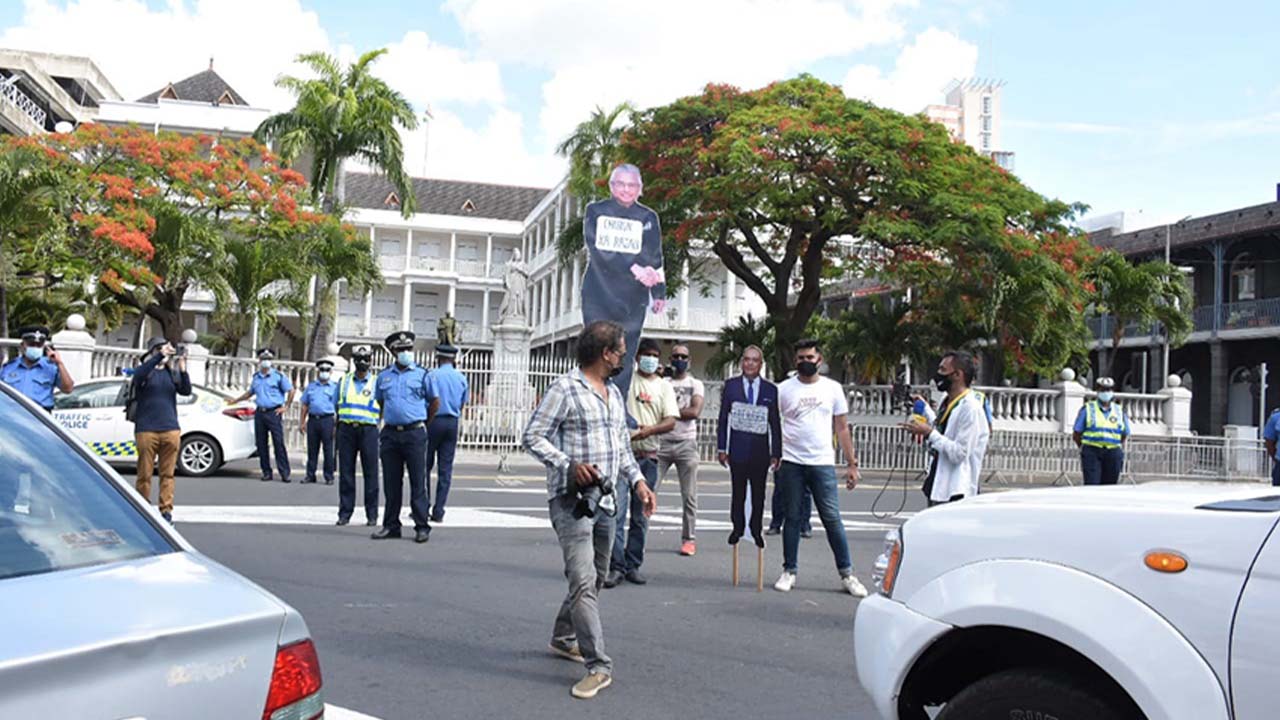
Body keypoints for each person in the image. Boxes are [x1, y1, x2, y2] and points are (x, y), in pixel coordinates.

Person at [522, 320, 658, 700]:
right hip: (573, 502)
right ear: (605, 354)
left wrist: (639, 482)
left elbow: (621, 449)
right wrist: (568, 464)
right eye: (621, 350)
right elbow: (532, 436)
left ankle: (564, 636)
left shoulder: (614, 393)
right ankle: (599, 665)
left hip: (608, 500)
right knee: (583, 581)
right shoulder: (565, 388)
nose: (625, 357)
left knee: (596, 578)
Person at [773, 339, 867, 597]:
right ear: (795, 361)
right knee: (791, 518)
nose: (806, 362)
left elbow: (842, 427)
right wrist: (773, 455)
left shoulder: (833, 389)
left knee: (832, 519)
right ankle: (789, 571)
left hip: (822, 462)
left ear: (820, 360)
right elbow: (772, 423)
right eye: (801, 358)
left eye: (810, 358)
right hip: (791, 462)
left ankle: (847, 574)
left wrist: (851, 464)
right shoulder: (783, 390)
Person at [580, 164, 666, 420]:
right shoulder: (596, 211)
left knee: (624, 354)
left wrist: (659, 290)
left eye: (632, 185)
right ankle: (592, 405)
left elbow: (655, 256)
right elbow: (599, 250)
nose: (626, 190)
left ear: (640, 189)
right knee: (596, 350)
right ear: (612, 186)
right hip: (599, 293)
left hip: (634, 298)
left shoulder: (649, 217)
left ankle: (616, 409)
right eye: (621, 184)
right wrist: (633, 267)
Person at [606, 337, 677, 588]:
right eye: (646, 354)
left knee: (641, 516)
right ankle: (615, 565)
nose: (650, 359)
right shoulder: (625, 382)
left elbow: (671, 421)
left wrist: (649, 431)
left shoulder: (664, 387)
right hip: (623, 457)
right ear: (636, 358)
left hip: (648, 457)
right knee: (616, 512)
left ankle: (633, 564)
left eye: (655, 356)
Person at [904, 350, 992, 506]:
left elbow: (959, 453)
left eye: (943, 370)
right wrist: (925, 409)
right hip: (938, 482)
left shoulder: (970, 408)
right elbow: (944, 429)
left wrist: (928, 433)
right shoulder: (948, 401)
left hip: (956, 490)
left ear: (958, 375)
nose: (938, 374)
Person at [716, 345, 782, 548]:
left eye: (754, 360)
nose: (750, 363)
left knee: (759, 493)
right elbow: (723, 419)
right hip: (738, 448)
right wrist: (722, 448)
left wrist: (776, 452)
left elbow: (775, 422)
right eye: (747, 359)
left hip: (760, 450)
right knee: (738, 491)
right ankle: (737, 527)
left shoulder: (771, 389)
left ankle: (755, 528)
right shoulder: (731, 386)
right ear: (741, 362)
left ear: (760, 364)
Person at [372, 331, 433, 544]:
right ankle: (391, 525)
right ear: (393, 352)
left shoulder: (422, 374)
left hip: (414, 432)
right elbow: (380, 402)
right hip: (390, 434)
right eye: (401, 350)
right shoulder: (384, 376)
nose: (405, 353)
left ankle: (422, 526)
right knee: (391, 483)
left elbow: (434, 401)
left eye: (408, 349)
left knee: (418, 482)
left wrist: (423, 422)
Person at [130, 337, 192, 523]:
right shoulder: (145, 372)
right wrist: (158, 357)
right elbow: (138, 375)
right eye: (159, 349)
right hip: (147, 430)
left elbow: (186, 391)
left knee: (168, 474)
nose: (164, 353)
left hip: (170, 429)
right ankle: (142, 507)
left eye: (165, 349)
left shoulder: (171, 374)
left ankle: (166, 511)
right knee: (145, 474)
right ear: (152, 352)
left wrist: (182, 368)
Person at [659, 343, 705, 556]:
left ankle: (689, 539)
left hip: (686, 443)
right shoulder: (663, 383)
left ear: (689, 361)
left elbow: (695, 411)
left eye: (683, 356)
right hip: (662, 443)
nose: (680, 359)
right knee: (647, 490)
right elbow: (654, 408)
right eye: (676, 356)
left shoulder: (695, 384)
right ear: (670, 359)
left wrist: (669, 411)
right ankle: (635, 536)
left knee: (689, 496)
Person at [228, 348, 294, 483]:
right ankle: (266, 472)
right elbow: (250, 393)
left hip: (274, 412)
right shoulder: (256, 377)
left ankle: (284, 472)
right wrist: (235, 400)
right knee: (261, 444)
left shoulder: (278, 376)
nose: (266, 362)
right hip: (260, 413)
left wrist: (286, 406)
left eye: (268, 359)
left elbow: (291, 390)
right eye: (263, 359)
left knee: (278, 443)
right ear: (259, 361)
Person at [336, 345, 380, 526]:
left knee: (371, 473)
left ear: (370, 361)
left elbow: (383, 405)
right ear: (353, 361)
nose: (362, 362)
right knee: (346, 473)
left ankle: (372, 515)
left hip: (368, 430)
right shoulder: (344, 381)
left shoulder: (377, 382)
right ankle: (345, 513)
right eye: (359, 359)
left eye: (366, 359)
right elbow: (335, 405)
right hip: (346, 429)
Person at [426, 343, 469, 523]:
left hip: (433, 421)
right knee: (445, 469)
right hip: (452, 422)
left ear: (438, 358)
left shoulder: (432, 375)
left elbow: (428, 399)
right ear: (454, 359)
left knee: (424, 466)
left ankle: (424, 505)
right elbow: (462, 403)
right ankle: (439, 510)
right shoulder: (461, 377)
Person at [1, 325, 74, 411]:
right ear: (22, 345)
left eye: (39, 345)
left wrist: (59, 363)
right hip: (13, 415)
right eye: (31, 344)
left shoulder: (51, 367)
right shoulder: (9, 367)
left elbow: (68, 389)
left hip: (39, 416)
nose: (35, 347)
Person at [1073, 376, 1130, 485]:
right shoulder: (1088, 409)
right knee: (1092, 484)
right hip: (1092, 451)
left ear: (1113, 391)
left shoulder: (1119, 410)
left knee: (1110, 486)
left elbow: (1124, 433)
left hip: (1113, 452)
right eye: (1103, 389)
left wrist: (1115, 444)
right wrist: (1084, 447)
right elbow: (1077, 434)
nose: (1106, 392)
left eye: (1108, 389)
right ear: (1097, 391)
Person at [299, 359, 339, 485]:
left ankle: (329, 476)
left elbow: (339, 407)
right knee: (312, 449)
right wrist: (302, 422)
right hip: (313, 420)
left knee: (328, 450)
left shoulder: (335, 387)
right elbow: (305, 405)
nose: (324, 373)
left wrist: (336, 425)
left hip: (327, 420)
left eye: (327, 370)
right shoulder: (311, 387)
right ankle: (310, 475)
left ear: (331, 372)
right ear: (318, 372)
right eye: (322, 370)